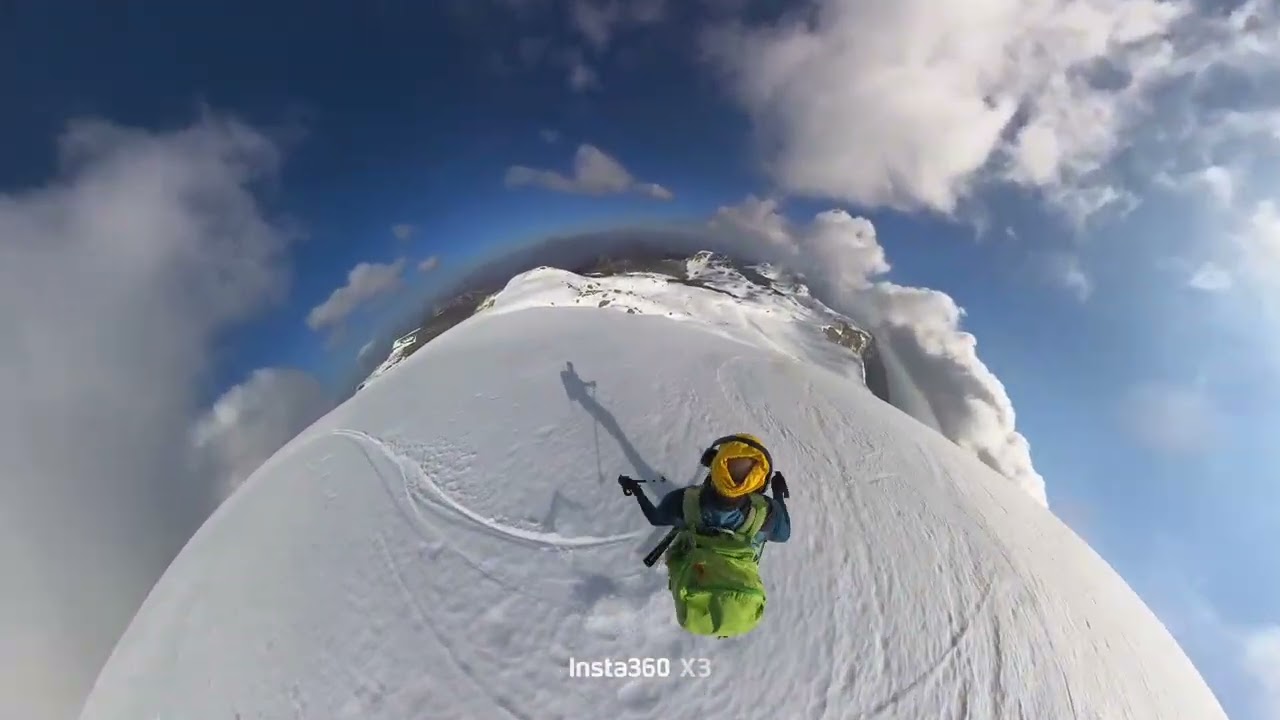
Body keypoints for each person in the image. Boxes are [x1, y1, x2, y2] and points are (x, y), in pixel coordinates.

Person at [619, 433, 790, 557]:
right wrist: (778, 495)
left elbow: (655, 518)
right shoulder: (768, 515)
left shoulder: (681, 501)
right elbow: (784, 535)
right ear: (758, 481)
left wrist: (637, 491)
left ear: (715, 466)